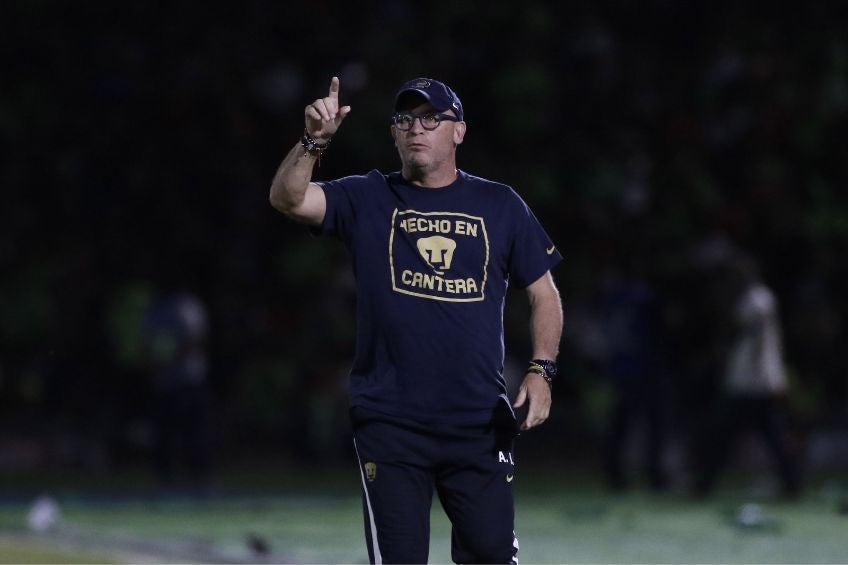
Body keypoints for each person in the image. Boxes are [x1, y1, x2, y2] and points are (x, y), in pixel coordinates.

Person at [269, 76, 563, 564]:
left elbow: (544, 293)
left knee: (492, 556)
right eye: (405, 119)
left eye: (432, 118)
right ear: (393, 134)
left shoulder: (500, 204)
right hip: (392, 425)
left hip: (478, 423)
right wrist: (313, 141)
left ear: (459, 132)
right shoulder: (367, 196)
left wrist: (542, 370)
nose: (417, 128)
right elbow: (288, 198)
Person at [695, 254, 801, 497]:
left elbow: (754, 337)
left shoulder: (759, 300)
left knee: (759, 438)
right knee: (731, 437)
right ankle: (704, 484)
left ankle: (792, 485)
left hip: (756, 384)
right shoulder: (747, 299)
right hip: (746, 383)